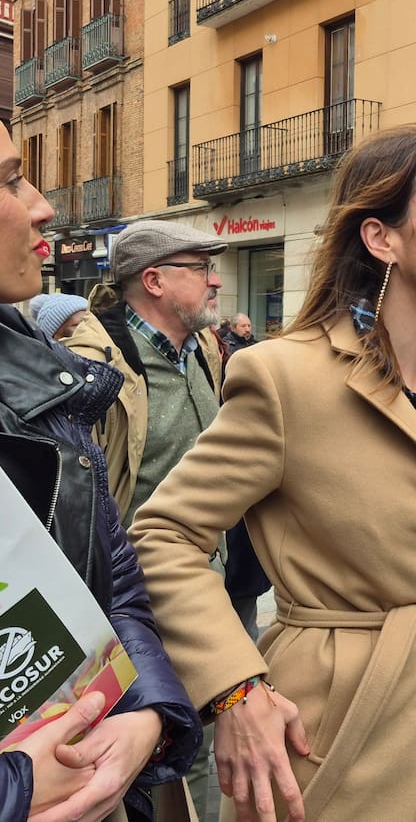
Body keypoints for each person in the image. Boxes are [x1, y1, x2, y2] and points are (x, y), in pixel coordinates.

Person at [128, 126, 416, 822]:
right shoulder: (287, 375)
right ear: (383, 239)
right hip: (335, 729)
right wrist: (235, 689)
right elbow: (161, 535)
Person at [0, 121, 201, 820]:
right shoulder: (92, 363)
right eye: (8, 178)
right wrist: (16, 788)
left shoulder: (43, 387)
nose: (41, 204)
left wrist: (146, 714)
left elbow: (110, 581)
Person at [63, 218, 229, 815]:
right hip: (135, 598)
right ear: (154, 280)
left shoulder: (206, 350)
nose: (215, 282)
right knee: (141, 749)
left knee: (210, 736)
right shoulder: (95, 366)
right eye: (201, 269)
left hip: (213, 584)